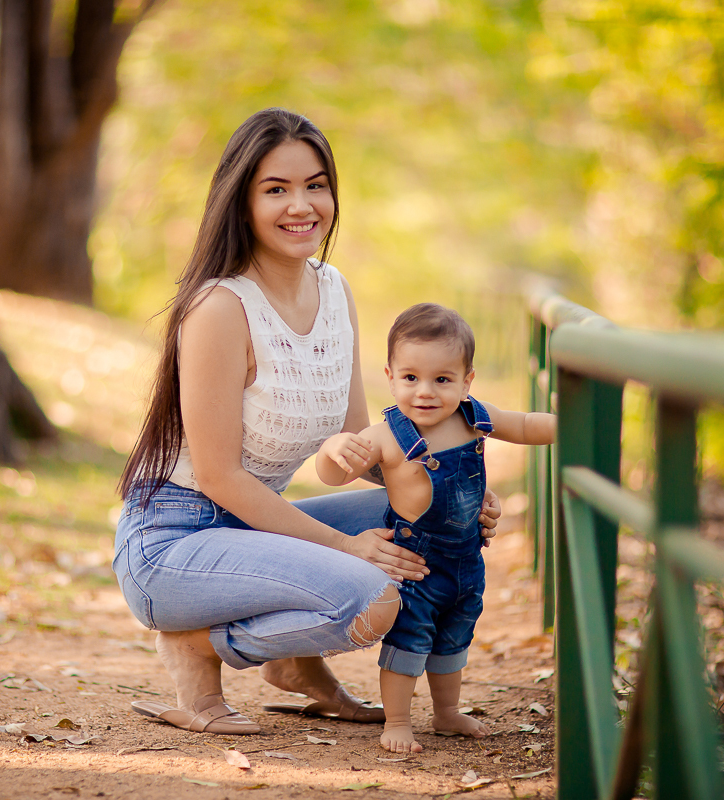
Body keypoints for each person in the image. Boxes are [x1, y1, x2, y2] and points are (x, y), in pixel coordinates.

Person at [112, 109, 502, 735]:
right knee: (372, 599)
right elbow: (218, 477)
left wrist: (454, 487)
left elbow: (359, 447)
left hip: (253, 530)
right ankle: (197, 646)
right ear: (241, 203)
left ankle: (295, 668)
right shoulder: (218, 307)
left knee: (429, 522)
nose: (302, 205)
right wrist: (347, 548)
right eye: (276, 189)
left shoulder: (333, 289)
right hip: (174, 544)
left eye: (316, 185)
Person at [315, 303, 557, 752]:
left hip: (466, 563)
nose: (425, 392)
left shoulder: (473, 417)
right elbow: (332, 476)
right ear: (390, 376)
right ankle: (399, 721)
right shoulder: (386, 435)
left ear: (467, 381)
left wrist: (572, 424)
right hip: (417, 566)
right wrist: (333, 449)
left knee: (453, 642)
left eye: (442, 380)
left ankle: (446, 714)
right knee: (409, 642)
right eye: (411, 378)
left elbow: (524, 425)